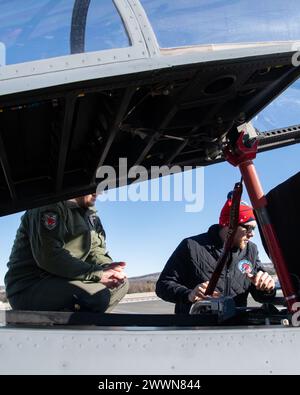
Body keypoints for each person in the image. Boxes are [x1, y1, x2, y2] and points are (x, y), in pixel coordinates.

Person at [5, 193, 129, 312]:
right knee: (97, 295)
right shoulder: (49, 206)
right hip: (30, 285)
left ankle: (80, 320)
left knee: (121, 284)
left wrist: (109, 268)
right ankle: (69, 326)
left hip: (63, 279)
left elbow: (95, 251)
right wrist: (97, 274)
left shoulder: (90, 215)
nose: (99, 193)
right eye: (93, 187)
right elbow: (50, 256)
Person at [156, 194, 276, 314]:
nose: (252, 234)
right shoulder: (191, 246)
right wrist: (189, 295)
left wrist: (267, 288)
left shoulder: (251, 250)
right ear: (230, 225)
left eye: (254, 229)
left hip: (237, 326)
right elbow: (162, 286)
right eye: (248, 228)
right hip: (197, 327)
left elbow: (260, 296)